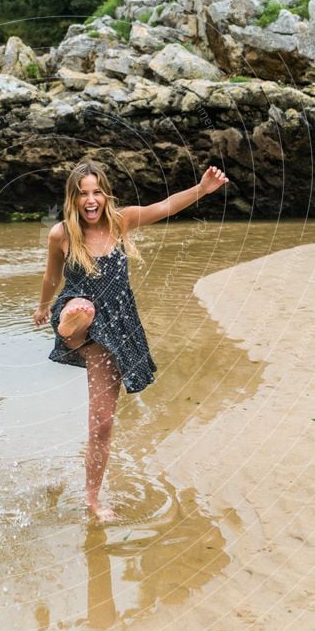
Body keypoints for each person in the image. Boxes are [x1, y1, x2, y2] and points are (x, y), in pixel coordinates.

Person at [33, 160, 229, 522]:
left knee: (102, 424)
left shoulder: (121, 221)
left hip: (117, 328)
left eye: (95, 192)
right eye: (82, 194)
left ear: (104, 195)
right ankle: (66, 329)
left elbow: (166, 206)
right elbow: (50, 278)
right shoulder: (61, 234)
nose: (90, 200)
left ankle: (93, 498)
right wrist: (43, 307)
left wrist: (202, 189)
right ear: (72, 199)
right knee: (82, 306)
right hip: (78, 313)